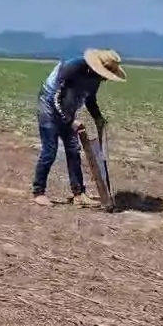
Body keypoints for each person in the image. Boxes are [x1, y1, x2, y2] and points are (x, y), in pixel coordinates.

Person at [32, 49, 126, 207]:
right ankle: (38, 192)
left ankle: (78, 194)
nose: (105, 79)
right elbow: (57, 97)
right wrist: (70, 121)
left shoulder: (95, 78)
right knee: (50, 150)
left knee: (73, 149)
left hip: (67, 108)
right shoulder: (72, 67)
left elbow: (90, 99)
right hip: (48, 105)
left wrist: (98, 118)